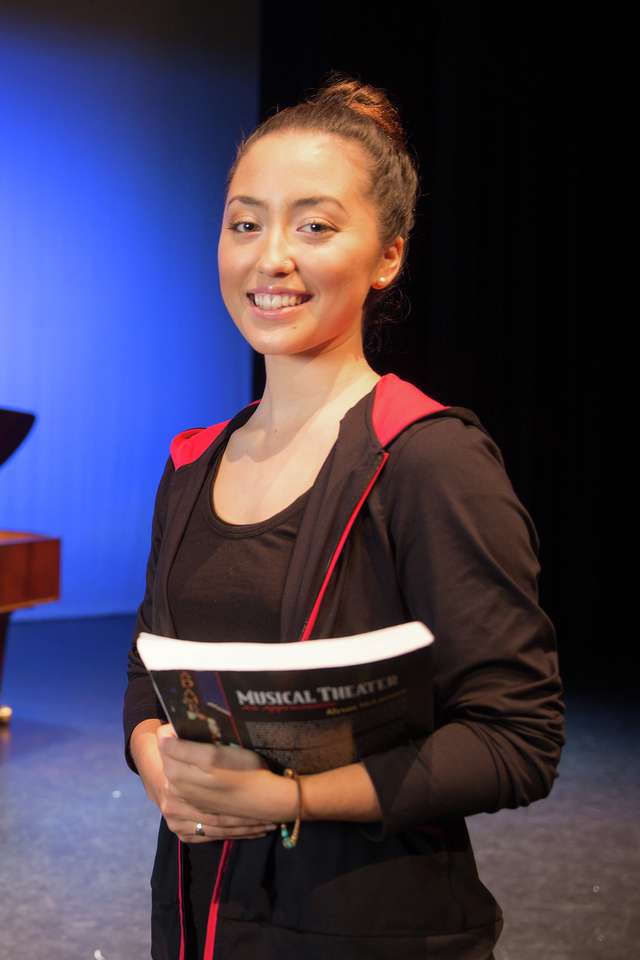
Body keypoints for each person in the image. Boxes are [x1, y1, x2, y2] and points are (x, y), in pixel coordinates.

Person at [123, 72, 565, 960]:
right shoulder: (192, 461)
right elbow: (147, 678)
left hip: (367, 928)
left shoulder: (430, 459)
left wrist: (289, 799)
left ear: (388, 255)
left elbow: (517, 740)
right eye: (245, 222)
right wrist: (158, 763)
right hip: (199, 920)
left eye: (314, 225)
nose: (270, 256)